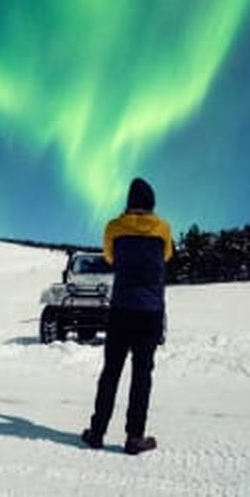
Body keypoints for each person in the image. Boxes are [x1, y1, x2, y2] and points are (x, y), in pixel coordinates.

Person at [81, 177, 173, 455]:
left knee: (111, 371)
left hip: (121, 309)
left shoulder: (113, 227)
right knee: (142, 374)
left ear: (129, 202)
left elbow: (110, 258)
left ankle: (97, 432)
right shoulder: (163, 228)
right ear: (151, 203)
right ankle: (135, 437)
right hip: (151, 311)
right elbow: (166, 257)